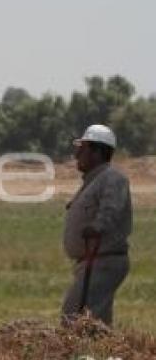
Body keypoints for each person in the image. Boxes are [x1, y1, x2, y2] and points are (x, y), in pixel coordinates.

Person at [61, 124, 131, 327]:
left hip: (102, 260)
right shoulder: (94, 180)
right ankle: (102, 356)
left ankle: (85, 356)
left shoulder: (112, 178)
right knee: (94, 318)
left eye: (82, 149)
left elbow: (111, 209)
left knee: (76, 315)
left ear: (98, 151)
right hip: (93, 261)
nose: (76, 155)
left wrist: (97, 227)